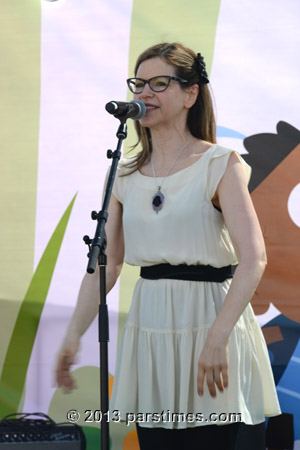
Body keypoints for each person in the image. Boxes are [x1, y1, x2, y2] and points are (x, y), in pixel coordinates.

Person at [56, 42, 281, 449]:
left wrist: (218, 337)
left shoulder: (219, 163)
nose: (144, 93)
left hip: (212, 320)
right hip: (154, 328)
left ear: (190, 94)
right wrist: (73, 334)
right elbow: (105, 265)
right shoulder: (124, 174)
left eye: (159, 84)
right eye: (139, 84)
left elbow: (254, 258)